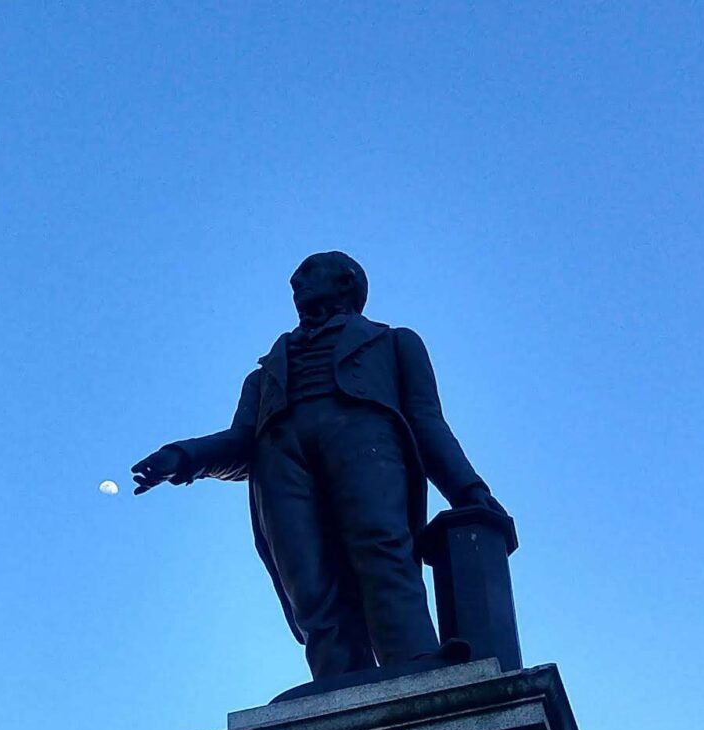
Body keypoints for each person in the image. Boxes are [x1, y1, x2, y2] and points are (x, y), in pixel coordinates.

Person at [132, 251, 506, 682]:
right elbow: (241, 443)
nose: (296, 281)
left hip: (366, 445)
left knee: (382, 547)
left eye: (310, 273)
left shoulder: (396, 342)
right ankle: (336, 677)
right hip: (280, 464)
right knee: (307, 578)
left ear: (347, 281)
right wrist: (183, 457)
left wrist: (468, 489)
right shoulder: (265, 372)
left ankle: (415, 659)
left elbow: (426, 420)